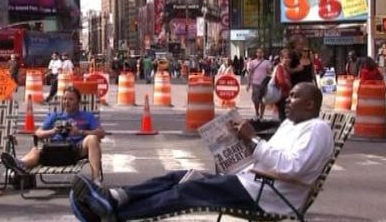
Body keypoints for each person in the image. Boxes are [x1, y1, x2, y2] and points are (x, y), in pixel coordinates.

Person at [69, 82, 333, 222]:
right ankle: (115, 197)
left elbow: (292, 167)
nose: (288, 99)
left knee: (185, 192)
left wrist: (253, 140)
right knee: (180, 176)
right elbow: (269, 153)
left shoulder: (317, 130)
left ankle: (114, 215)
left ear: (310, 104)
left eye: (295, 96)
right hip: (251, 182)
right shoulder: (291, 124)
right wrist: (239, 141)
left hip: (265, 195)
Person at [1, 86, 105, 182]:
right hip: (54, 150)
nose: (66, 102)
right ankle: (20, 164)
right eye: (64, 99)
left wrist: (80, 131)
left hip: (75, 151)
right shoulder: (55, 116)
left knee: (92, 139)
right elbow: (38, 133)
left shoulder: (86, 116)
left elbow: (101, 133)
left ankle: (95, 180)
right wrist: (53, 131)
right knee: (36, 150)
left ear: (78, 102)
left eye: (71, 99)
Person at [246, 47, 272, 120]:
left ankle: (261, 115)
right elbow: (250, 74)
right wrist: (248, 84)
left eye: (261, 52)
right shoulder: (252, 62)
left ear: (263, 53)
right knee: (256, 100)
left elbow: (270, 72)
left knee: (263, 100)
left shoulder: (267, 62)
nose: (259, 54)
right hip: (255, 83)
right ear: (256, 53)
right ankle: (256, 112)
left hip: (264, 84)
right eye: (258, 52)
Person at [274, 49, 292, 121]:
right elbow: (281, 81)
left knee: (284, 117)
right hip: (282, 96)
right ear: (281, 59)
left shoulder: (285, 68)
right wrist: (288, 83)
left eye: (289, 58)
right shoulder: (280, 68)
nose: (288, 60)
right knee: (283, 117)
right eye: (286, 58)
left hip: (285, 96)